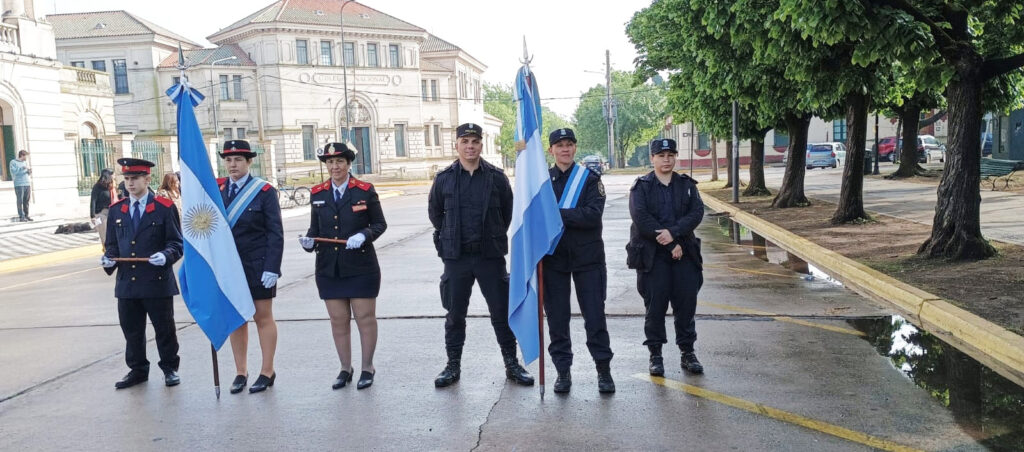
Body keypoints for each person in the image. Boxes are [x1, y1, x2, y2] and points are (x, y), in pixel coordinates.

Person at [427, 123, 533, 388]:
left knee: (501, 313)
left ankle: (511, 364)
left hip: (490, 256)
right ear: (457, 145)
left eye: (475, 141)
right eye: (465, 142)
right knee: (455, 315)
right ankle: (453, 366)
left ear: (481, 145)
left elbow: (507, 213)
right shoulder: (444, 179)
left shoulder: (496, 178)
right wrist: (448, 241)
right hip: (457, 258)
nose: (470, 146)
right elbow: (436, 215)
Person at [299, 142, 386, 390]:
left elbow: (380, 224)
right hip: (329, 268)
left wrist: (364, 235)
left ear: (349, 164)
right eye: (330, 162)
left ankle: (367, 366)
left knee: (365, 318)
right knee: (338, 320)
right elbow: (314, 230)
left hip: (360, 266)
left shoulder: (365, 190)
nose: (334, 166)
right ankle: (345, 368)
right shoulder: (318, 193)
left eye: (339, 162)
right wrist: (308, 242)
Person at [99, 158, 183, 389]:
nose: (130, 183)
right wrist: (108, 259)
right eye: (126, 179)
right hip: (128, 283)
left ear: (147, 179)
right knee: (132, 330)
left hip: (156, 281)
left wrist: (166, 256)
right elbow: (113, 245)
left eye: (135, 178)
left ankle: (169, 368)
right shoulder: (118, 210)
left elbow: (176, 243)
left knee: (164, 329)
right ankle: (137, 370)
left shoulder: (164, 208)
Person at [542, 128, 615, 394]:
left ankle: (603, 370)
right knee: (557, 320)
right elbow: (536, 220)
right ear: (551, 150)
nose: (565, 149)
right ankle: (562, 372)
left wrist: (557, 214)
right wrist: (570, 214)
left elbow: (592, 215)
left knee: (595, 318)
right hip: (554, 260)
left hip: (588, 259)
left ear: (575, 148)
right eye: (559, 145)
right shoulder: (541, 182)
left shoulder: (589, 179)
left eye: (570, 144)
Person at [627, 138, 705, 376]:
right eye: (661, 155)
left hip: (684, 254)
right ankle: (656, 355)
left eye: (670, 155)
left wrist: (676, 236)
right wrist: (670, 242)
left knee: (686, 306)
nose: (666, 159)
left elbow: (696, 212)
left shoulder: (686, 185)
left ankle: (687, 352)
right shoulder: (641, 186)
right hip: (653, 258)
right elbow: (642, 218)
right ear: (652, 158)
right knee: (655, 307)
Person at [217, 140, 284, 394]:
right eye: (228, 160)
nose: (232, 165)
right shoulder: (218, 191)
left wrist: (272, 267)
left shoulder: (264, 191)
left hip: (258, 265)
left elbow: (275, 233)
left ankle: (267, 370)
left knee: (262, 317)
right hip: (229, 267)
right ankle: (240, 371)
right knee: (236, 320)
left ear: (249, 162)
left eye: (238, 160)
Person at [90, 169, 117, 247]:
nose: (114, 176)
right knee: (104, 235)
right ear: (108, 175)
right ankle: (107, 252)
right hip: (101, 214)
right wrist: (92, 216)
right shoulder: (98, 187)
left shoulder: (112, 186)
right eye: (113, 174)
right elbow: (93, 201)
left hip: (112, 212)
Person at [9, 150, 31, 221]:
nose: (26, 158)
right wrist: (22, 168)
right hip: (19, 184)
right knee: (20, 201)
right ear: (22, 155)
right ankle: (21, 216)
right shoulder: (13, 162)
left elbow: (27, 173)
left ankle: (26, 215)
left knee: (26, 201)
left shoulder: (25, 162)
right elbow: (13, 172)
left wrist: (29, 171)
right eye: (26, 156)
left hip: (27, 183)